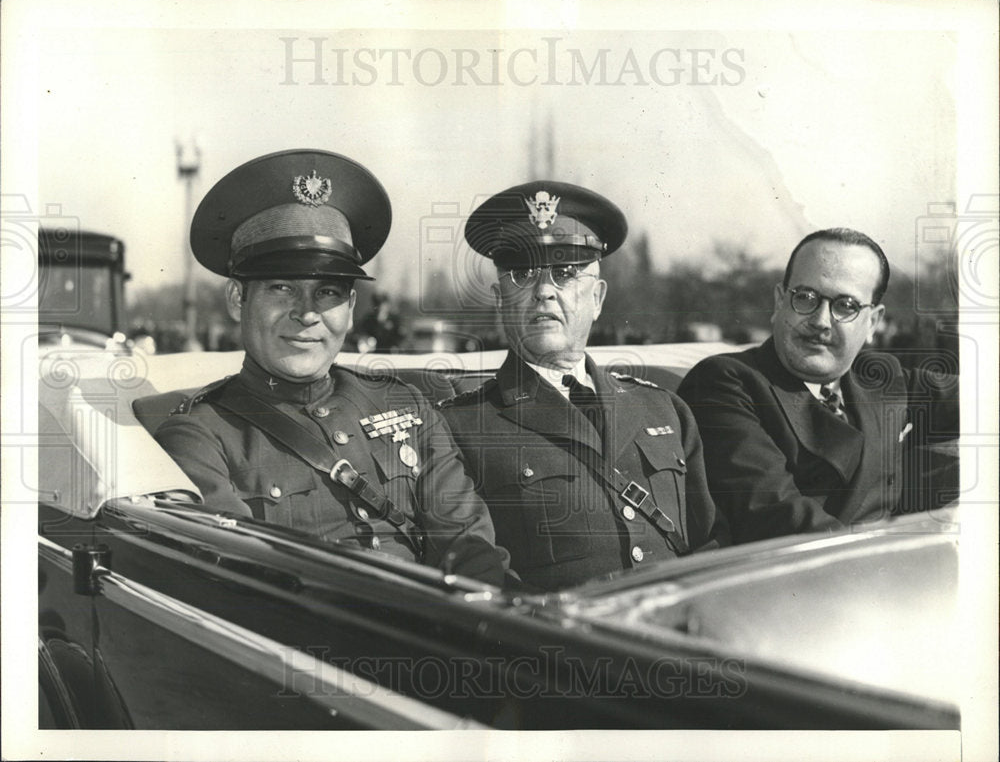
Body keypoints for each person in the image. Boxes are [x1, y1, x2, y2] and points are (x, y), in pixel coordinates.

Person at [154, 149, 508, 584]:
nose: (307, 314)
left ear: (352, 307)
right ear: (236, 299)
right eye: (282, 288)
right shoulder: (200, 436)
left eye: (328, 292)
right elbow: (246, 584)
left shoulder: (406, 404)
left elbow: (470, 546)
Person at [437, 181, 729, 591]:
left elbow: (711, 543)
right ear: (500, 299)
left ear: (598, 299)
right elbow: (482, 577)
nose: (543, 292)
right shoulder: (456, 428)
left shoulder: (664, 409)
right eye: (522, 275)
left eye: (566, 274)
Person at [677, 228, 959, 544]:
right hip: (806, 578)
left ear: (873, 323)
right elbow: (778, 516)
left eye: (846, 305)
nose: (821, 321)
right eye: (806, 298)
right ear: (779, 302)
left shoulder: (881, 376)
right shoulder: (724, 382)